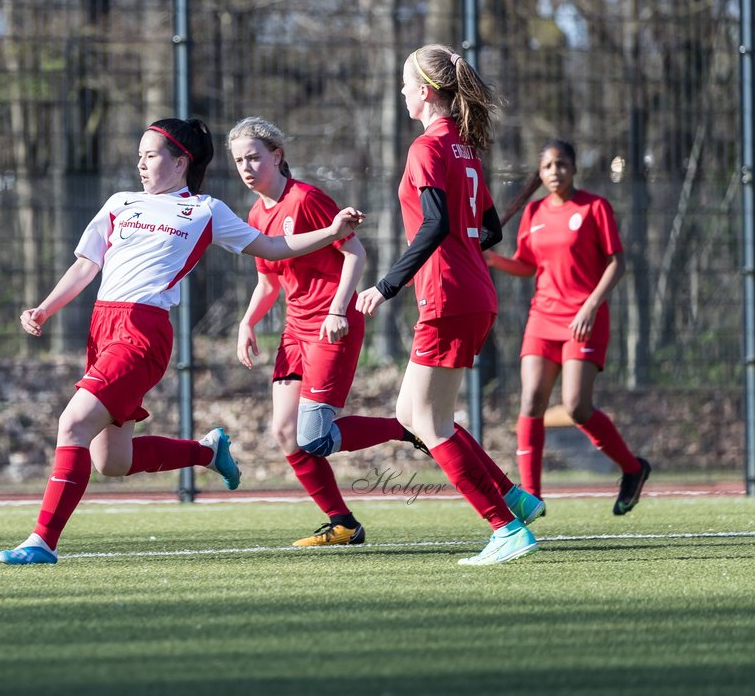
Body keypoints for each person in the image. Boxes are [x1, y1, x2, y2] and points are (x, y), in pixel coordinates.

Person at [0, 117, 366, 565]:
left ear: (180, 162)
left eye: (150, 155)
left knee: (72, 425)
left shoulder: (206, 210)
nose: (141, 164)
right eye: (139, 156)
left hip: (142, 333)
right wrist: (45, 308)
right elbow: (84, 266)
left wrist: (331, 232)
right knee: (111, 461)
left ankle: (40, 542)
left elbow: (272, 248)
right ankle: (207, 452)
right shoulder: (119, 203)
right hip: (102, 328)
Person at [355, 45, 545, 566]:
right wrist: (461, 243)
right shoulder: (464, 149)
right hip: (473, 293)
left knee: (426, 421)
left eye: (404, 84)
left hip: (447, 295)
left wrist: (386, 285)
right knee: (415, 413)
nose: (401, 93)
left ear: (425, 91)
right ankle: (512, 496)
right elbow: (488, 229)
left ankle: (505, 527)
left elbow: (438, 224)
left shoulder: (427, 149)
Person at [228, 116, 428, 547]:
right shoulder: (256, 212)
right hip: (295, 330)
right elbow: (268, 282)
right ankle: (344, 524)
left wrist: (339, 308)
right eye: (239, 161)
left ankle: (405, 429)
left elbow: (355, 252)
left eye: (254, 158)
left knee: (314, 438)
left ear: (277, 156)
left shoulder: (306, 199)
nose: (246, 168)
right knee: (285, 432)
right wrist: (247, 322)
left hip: (330, 325)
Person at [485, 138, 650, 514]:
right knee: (530, 402)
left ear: (574, 169)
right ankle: (531, 498)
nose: (555, 172)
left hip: (584, 318)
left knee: (576, 407)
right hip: (542, 318)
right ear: (540, 174)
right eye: (547, 167)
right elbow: (527, 266)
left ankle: (633, 469)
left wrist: (591, 305)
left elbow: (617, 263)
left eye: (561, 165)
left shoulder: (594, 207)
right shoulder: (534, 212)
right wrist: (494, 261)